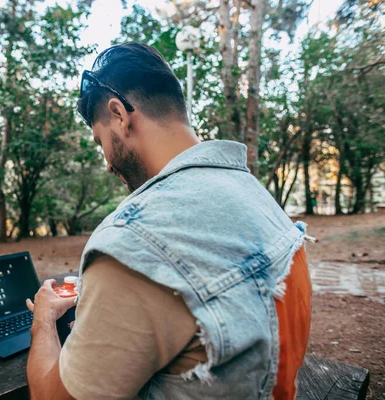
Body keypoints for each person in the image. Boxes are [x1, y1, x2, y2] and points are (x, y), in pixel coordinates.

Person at [26, 42, 312, 400]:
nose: (107, 163)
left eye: (101, 142)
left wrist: (43, 318)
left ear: (118, 114)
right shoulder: (257, 196)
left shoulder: (131, 242)